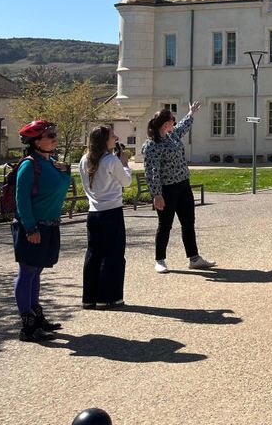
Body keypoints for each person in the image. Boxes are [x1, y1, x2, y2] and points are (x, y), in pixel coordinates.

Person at [11, 119, 72, 341]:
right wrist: (30, 227)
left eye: (54, 134)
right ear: (36, 142)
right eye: (49, 136)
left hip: (50, 224)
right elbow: (22, 200)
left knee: (36, 271)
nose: (54, 138)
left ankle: (36, 317)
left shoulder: (52, 162)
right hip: (33, 226)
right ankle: (27, 325)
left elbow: (64, 185)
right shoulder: (29, 165)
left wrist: (67, 171)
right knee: (27, 272)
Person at [142, 102, 216, 273]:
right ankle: (160, 260)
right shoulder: (152, 145)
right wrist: (156, 194)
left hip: (183, 185)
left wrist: (191, 113)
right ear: (165, 123)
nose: (175, 123)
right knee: (165, 225)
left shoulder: (172, 135)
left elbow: (183, 126)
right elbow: (151, 171)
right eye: (172, 120)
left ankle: (194, 258)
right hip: (167, 190)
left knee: (188, 222)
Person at [79, 125, 132, 308]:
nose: (116, 138)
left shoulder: (85, 159)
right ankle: (109, 296)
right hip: (112, 211)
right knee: (113, 254)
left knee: (94, 253)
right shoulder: (111, 160)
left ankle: (89, 297)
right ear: (104, 140)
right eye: (112, 136)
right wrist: (125, 165)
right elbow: (126, 181)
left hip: (94, 212)